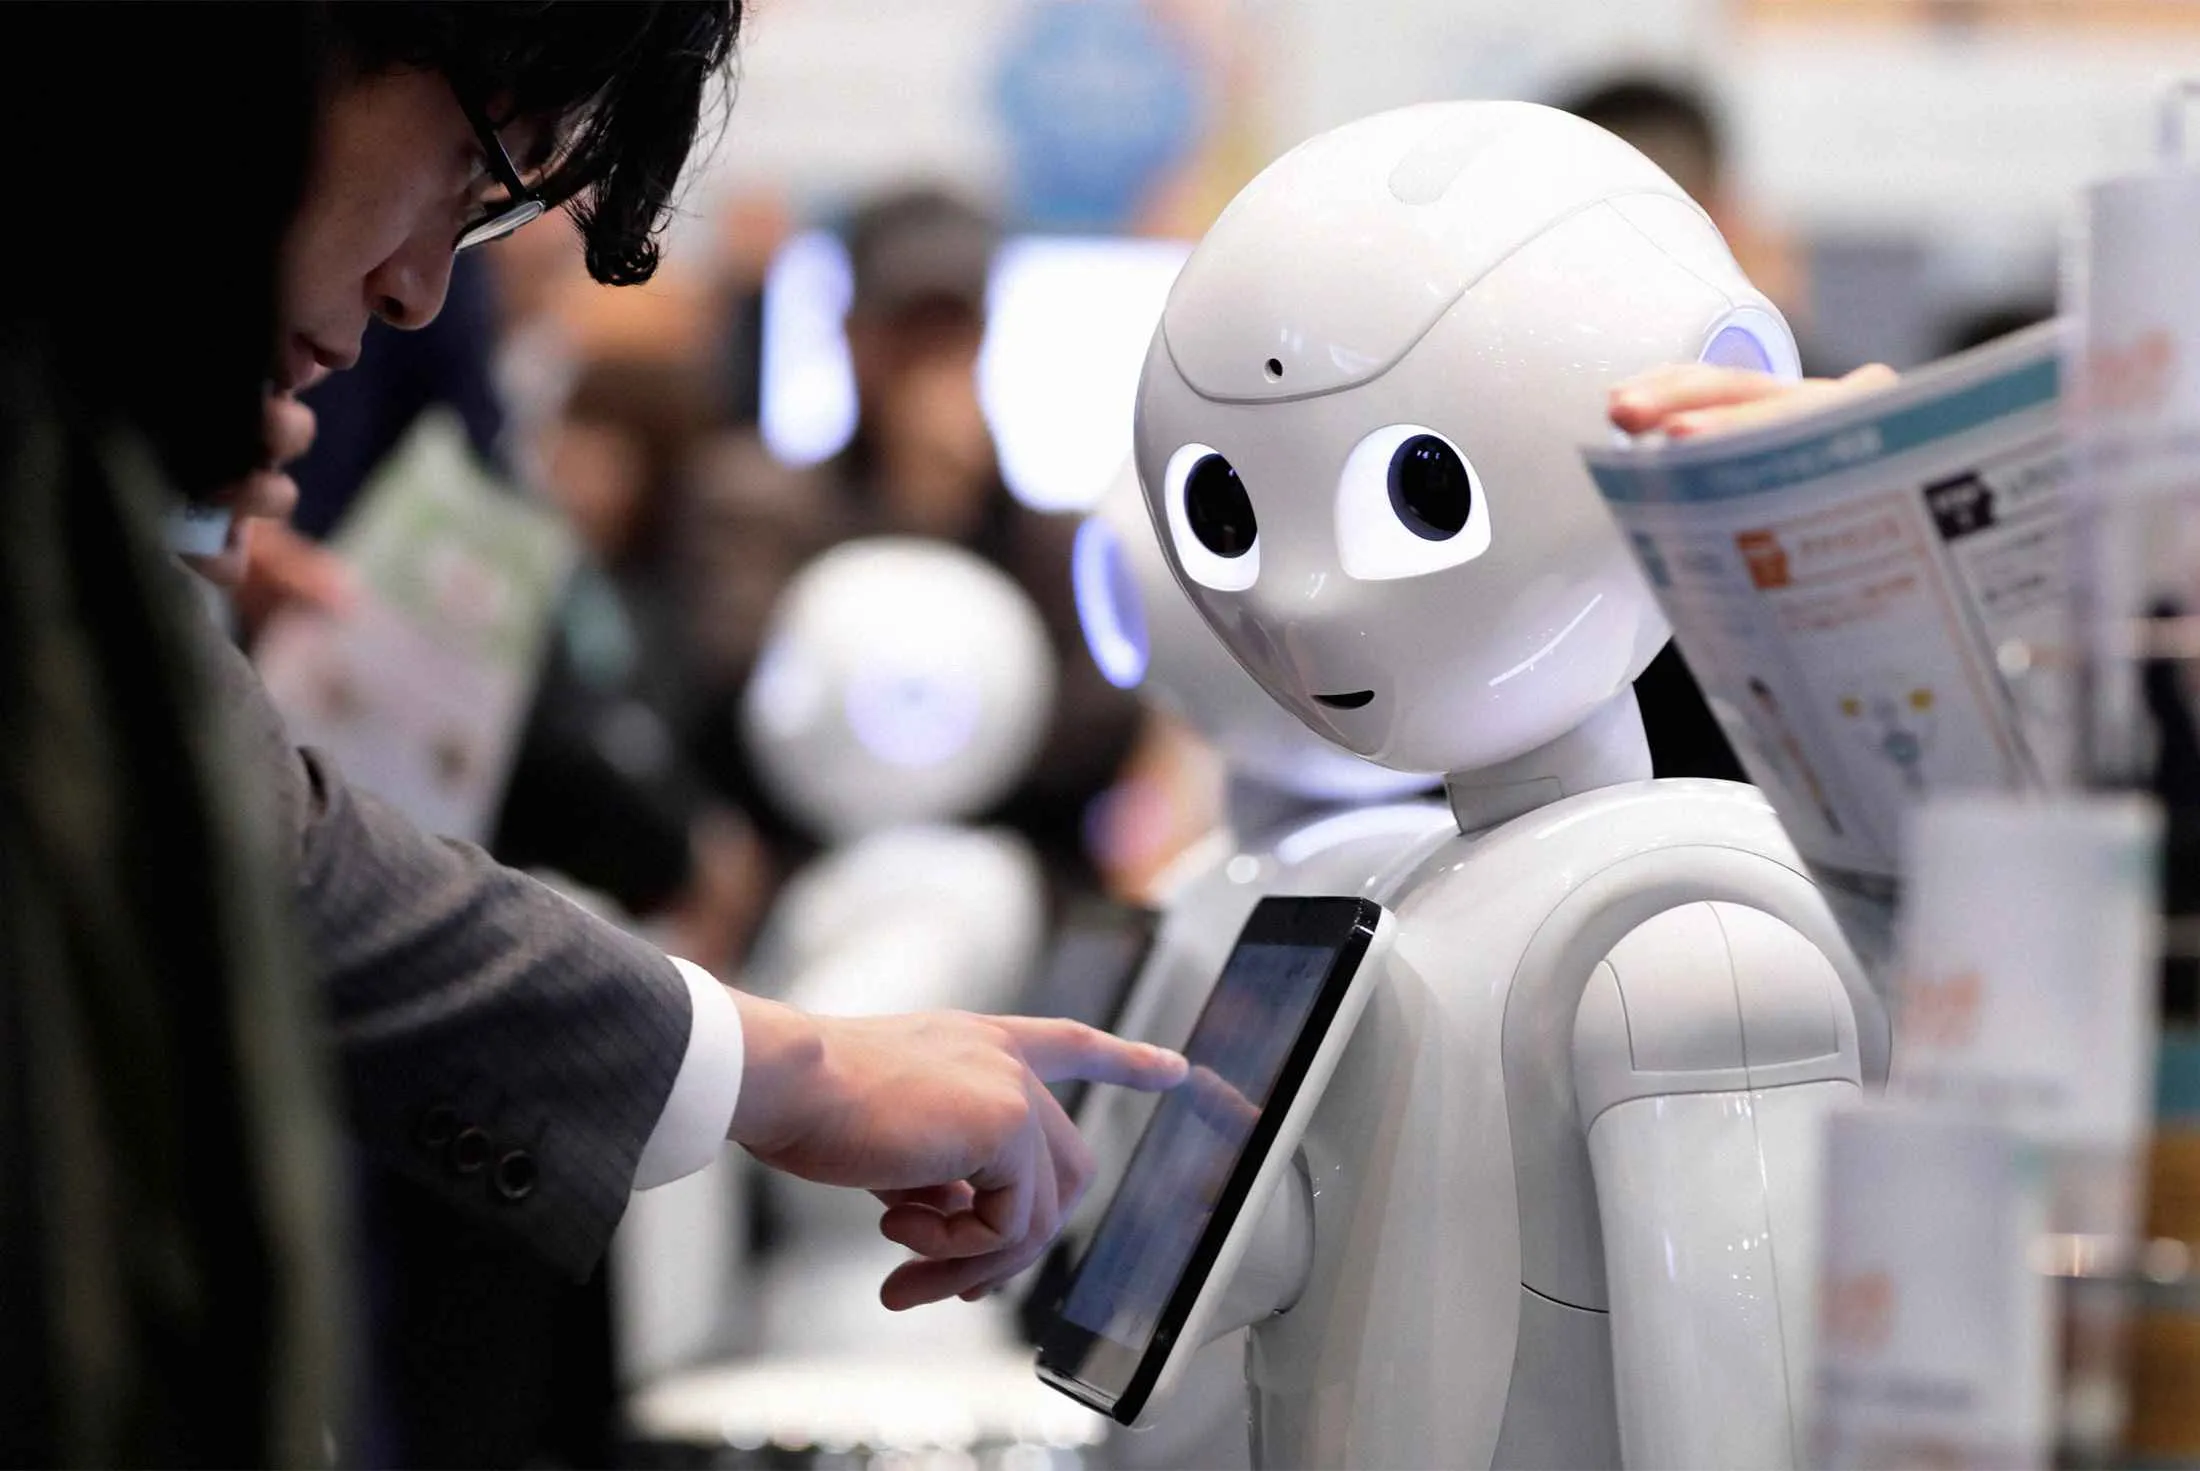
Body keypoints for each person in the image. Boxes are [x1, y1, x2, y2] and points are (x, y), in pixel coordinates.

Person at [187, 0, 1185, 1338]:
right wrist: (792, 1066)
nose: (419, 290)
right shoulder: (759, 503)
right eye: (469, 175)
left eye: (488, 216)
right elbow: (264, 845)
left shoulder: (1037, 527)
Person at [681, 186, 1146, 902]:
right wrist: (915, 519)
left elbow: (1101, 732)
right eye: (907, 331)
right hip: (807, 883)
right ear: (853, 335)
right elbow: (744, 703)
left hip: (1015, 891)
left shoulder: (1056, 542)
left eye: (951, 332)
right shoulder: (756, 504)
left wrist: (965, 520)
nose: (929, 363)